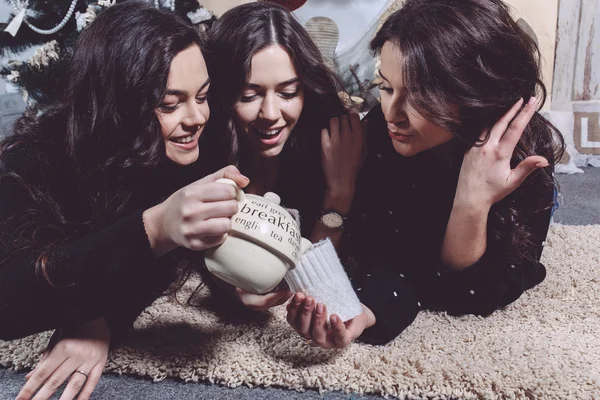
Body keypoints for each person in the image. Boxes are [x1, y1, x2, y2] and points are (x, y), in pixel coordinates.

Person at [0, 2, 247, 399]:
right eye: (169, 104)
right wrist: (155, 227)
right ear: (118, 104)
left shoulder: (196, 142)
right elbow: (8, 299)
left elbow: (153, 270)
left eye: (202, 96)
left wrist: (241, 285)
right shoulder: (35, 156)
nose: (196, 117)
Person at [287, 0, 565, 347]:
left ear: (472, 92)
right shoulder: (378, 137)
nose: (393, 113)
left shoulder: (525, 153)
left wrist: (472, 200)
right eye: (386, 88)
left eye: (419, 98)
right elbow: (389, 260)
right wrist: (339, 193)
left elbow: (475, 294)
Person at [203, 2, 367, 314]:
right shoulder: (204, 149)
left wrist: (339, 194)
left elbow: (317, 283)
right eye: (249, 96)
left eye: (288, 93)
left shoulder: (328, 144)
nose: (270, 114)